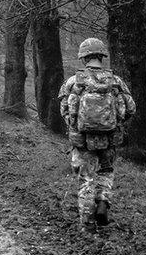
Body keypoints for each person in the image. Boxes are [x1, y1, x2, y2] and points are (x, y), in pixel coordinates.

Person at [58, 37, 136, 231]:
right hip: (109, 138)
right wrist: (116, 123)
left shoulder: (74, 82)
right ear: (101, 56)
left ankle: (87, 223)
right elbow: (131, 108)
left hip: (83, 140)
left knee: (86, 179)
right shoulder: (116, 81)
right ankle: (102, 203)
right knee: (106, 172)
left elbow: (64, 109)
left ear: (84, 58)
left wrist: (74, 125)